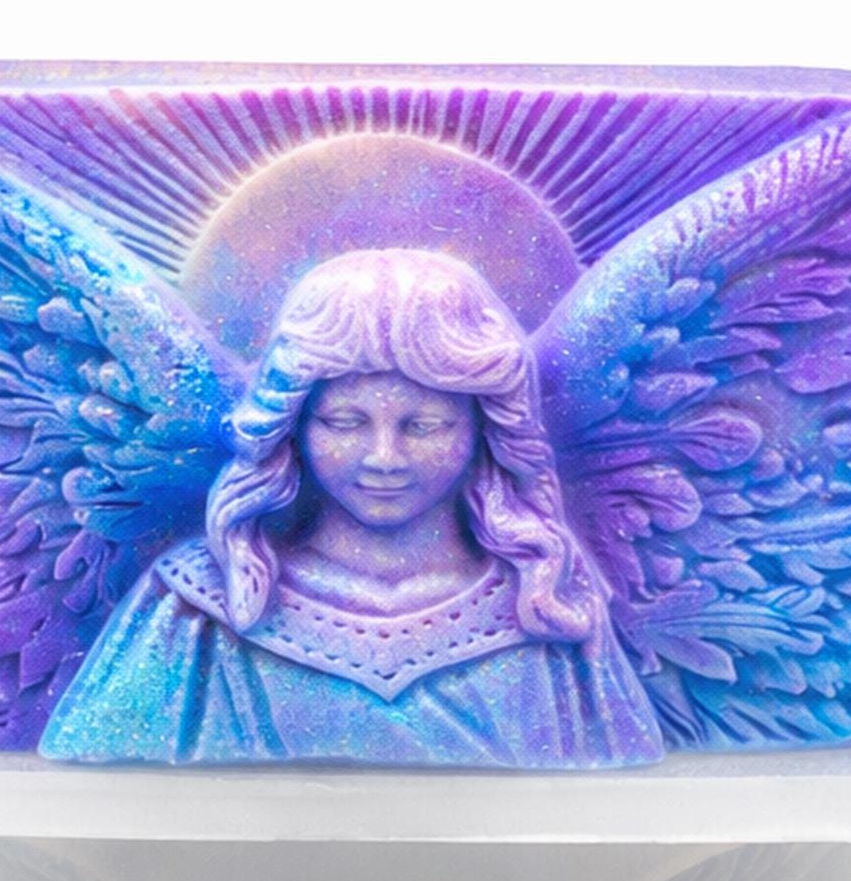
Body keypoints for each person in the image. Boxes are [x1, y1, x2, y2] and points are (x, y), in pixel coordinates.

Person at [38, 248, 668, 767]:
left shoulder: (548, 604)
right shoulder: (195, 607)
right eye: (344, 422)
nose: (383, 457)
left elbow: (614, 789)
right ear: (292, 428)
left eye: (424, 425)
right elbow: (105, 781)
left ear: (485, 432)